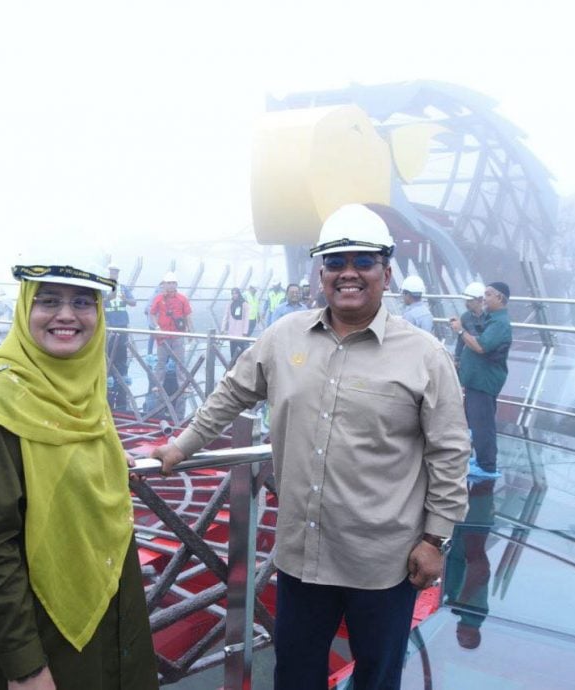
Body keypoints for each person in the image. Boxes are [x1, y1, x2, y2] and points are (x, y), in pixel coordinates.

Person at [152, 203, 470, 690]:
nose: (348, 273)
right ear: (320, 274)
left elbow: (449, 451)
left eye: (363, 262)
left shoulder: (424, 355)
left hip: (383, 562)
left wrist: (435, 540)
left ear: (386, 273)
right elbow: (232, 392)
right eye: (335, 263)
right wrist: (183, 445)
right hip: (303, 555)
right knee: (295, 674)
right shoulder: (284, 337)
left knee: (377, 677)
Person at [0, 253, 158, 690]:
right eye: (49, 300)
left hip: (104, 615)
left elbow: (68, 443)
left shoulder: (83, 385)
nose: (66, 315)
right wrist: (25, 667)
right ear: (25, 308)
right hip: (32, 633)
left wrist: (107, 455)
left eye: (83, 302)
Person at [450, 281, 513, 480]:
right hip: (476, 380)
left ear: (500, 298)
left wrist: (461, 330)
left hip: (484, 382)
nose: (484, 299)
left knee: (483, 424)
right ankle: (482, 460)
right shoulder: (490, 318)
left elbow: (481, 346)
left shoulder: (500, 324)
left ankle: (487, 466)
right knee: (477, 422)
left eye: (488, 295)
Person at [443, 477, 496, 650]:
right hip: (469, 534)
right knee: (481, 485)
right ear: (474, 635)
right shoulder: (474, 615)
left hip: (461, 537)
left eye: (458, 638)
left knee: (461, 484)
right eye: (463, 638)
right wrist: (460, 601)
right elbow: (480, 570)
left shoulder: (463, 613)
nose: (458, 634)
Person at [147, 271, 193, 409]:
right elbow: (152, 313)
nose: (171, 285)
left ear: (176, 284)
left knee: (180, 362)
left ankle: (183, 385)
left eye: (173, 283)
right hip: (163, 336)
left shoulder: (182, 299)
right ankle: (158, 385)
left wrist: (190, 332)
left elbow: (188, 316)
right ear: (164, 284)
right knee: (161, 362)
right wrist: (157, 327)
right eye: (169, 283)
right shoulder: (159, 298)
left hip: (177, 335)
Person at [105, 263, 137, 412]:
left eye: (116, 272)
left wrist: (125, 299)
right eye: (112, 272)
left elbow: (133, 302)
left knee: (121, 354)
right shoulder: (102, 287)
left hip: (122, 324)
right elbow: (99, 302)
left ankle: (122, 377)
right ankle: (108, 377)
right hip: (109, 325)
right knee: (108, 353)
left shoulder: (123, 288)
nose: (114, 275)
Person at [453, 282, 486, 368]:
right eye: (466, 301)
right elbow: (460, 341)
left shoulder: (491, 318)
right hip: (471, 360)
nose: (466, 304)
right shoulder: (465, 317)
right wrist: (457, 359)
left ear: (480, 300)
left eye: (470, 301)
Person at [220, 286, 250, 363]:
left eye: (236, 293)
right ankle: (233, 366)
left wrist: (245, 332)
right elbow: (226, 316)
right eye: (232, 293)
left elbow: (246, 319)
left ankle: (240, 366)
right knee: (232, 351)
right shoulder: (230, 304)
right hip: (232, 332)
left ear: (239, 294)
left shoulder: (244, 304)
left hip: (241, 332)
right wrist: (223, 328)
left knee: (240, 351)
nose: (234, 295)